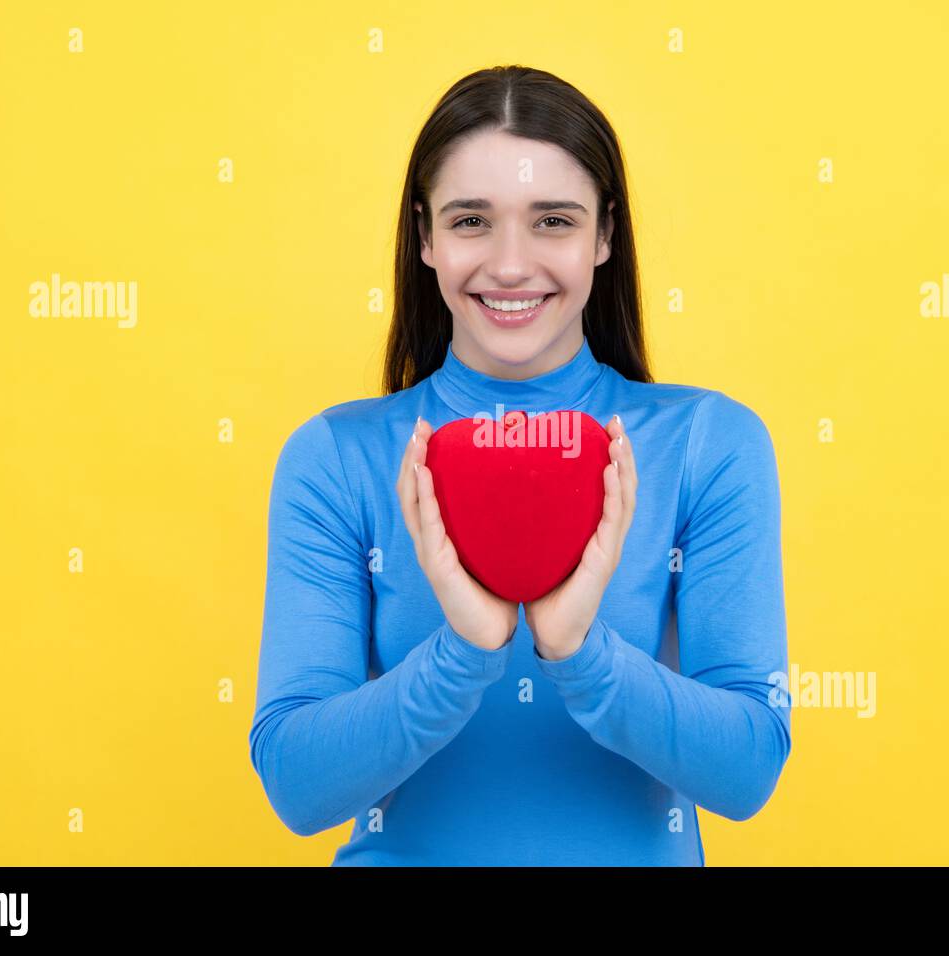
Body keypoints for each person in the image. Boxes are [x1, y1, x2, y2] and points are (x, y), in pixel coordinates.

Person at [248, 65, 792, 865]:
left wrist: (579, 648)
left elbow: (747, 771)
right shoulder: (338, 458)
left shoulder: (708, 444)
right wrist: (463, 650)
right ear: (425, 236)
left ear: (605, 235)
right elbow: (297, 788)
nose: (509, 265)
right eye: (471, 220)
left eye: (553, 222)